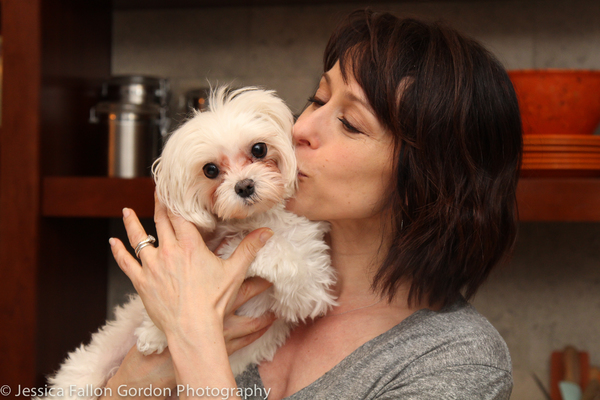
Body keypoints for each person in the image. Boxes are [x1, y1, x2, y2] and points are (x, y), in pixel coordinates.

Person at [106, 9, 522, 400]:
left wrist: (192, 337)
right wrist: (142, 373)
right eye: (318, 99)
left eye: (350, 123)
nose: (300, 126)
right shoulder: (225, 276)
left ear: (429, 178)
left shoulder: (457, 361)